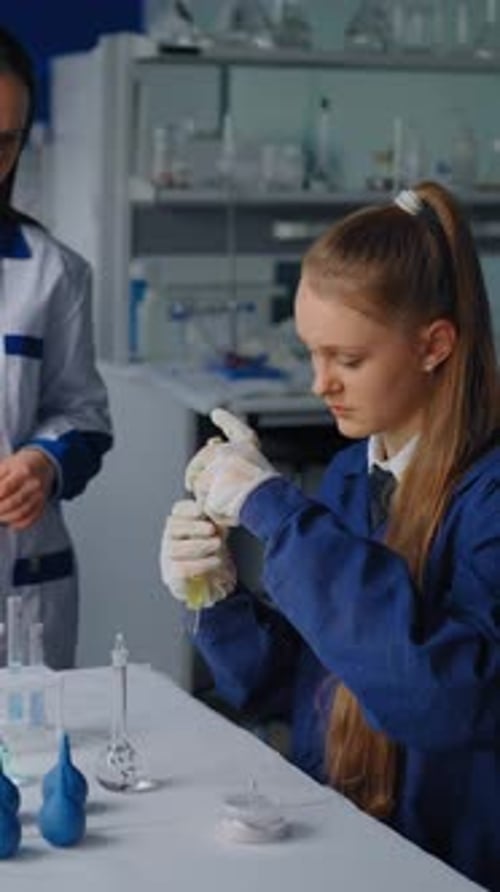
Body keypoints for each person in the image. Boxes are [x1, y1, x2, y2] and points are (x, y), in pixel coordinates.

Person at [160, 181, 500, 890]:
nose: (322, 384)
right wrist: (219, 597)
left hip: (451, 860)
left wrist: (279, 515)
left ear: (435, 344)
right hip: (346, 835)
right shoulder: (352, 472)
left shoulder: (489, 495)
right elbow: (296, 689)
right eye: (312, 353)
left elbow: (440, 698)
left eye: (348, 360)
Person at [0, 26, 112, 669]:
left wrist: (43, 462)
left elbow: (85, 417)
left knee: (32, 761)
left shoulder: (54, 273)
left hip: (20, 584)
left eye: (4, 142)